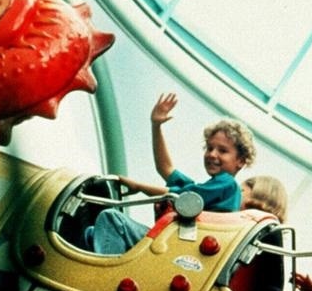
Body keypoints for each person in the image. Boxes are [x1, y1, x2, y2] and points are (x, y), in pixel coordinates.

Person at [86, 92, 257, 254]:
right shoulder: (206, 188)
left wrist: (138, 186)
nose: (212, 154)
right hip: (173, 243)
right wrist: (156, 126)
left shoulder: (227, 184)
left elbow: (180, 197)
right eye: (210, 148)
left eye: (222, 151)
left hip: (181, 247)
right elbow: (166, 168)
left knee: (112, 219)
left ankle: (106, 277)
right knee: (92, 233)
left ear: (241, 161)